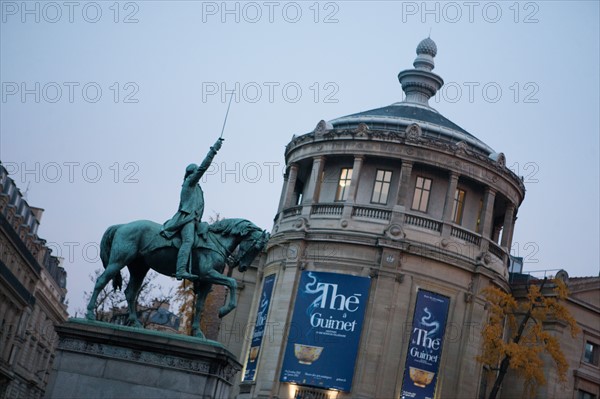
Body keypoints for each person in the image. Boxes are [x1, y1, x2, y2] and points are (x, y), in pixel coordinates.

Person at [161, 137, 224, 280]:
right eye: (196, 172)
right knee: (188, 241)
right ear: (192, 173)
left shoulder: (196, 188)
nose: (198, 175)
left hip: (195, 221)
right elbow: (203, 167)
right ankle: (180, 270)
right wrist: (214, 150)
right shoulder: (189, 183)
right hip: (186, 219)